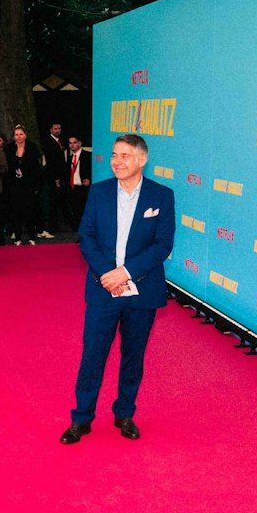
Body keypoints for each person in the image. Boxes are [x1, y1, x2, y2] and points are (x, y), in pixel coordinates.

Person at [61, 135, 175, 443]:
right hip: (103, 289)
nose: (117, 161)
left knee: (133, 356)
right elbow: (86, 236)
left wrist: (125, 273)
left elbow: (163, 245)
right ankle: (81, 418)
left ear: (141, 160)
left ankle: (125, 413)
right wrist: (106, 274)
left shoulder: (162, 196)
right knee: (93, 355)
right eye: (114, 155)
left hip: (142, 290)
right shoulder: (98, 193)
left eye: (125, 155)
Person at [4, 124, 41, 244]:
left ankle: (31, 236)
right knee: (16, 211)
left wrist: (35, 184)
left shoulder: (32, 147)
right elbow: (7, 167)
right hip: (14, 185)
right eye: (16, 135)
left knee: (30, 210)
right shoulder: (9, 148)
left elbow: (36, 167)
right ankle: (18, 237)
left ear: (25, 135)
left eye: (21, 134)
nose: (19, 137)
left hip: (29, 184)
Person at [41, 120, 68, 238]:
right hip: (52, 177)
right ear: (51, 130)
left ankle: (58, 225)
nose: (58, 130)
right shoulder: (48, 142)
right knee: (52, 202)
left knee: (58, 201)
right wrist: (56, 178)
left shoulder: (59, 141)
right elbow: (51, 162)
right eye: (55, 128)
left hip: (60, 175)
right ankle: (51, 227)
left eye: (59, 128)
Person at [64, 135, 92, 230]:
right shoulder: (70, 158)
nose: (72, 145)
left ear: (79, 143)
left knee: (84, 210)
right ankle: (76, 230)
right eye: (70, 143)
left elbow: (94, 169)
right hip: (73, 188)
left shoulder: (88, 155)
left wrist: (89, 180)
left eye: (74, 142)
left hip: (83, 188)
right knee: (74, 211)